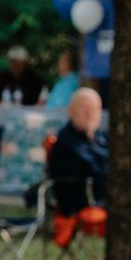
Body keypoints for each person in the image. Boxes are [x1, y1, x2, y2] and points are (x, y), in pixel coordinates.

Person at [47, 88, 109, 217]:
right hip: (81, 204)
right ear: (71, 111)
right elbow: (94, 170)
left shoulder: (102, 139)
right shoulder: (65, 142)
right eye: (85, 108)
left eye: (95, 109)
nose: (90, 113)